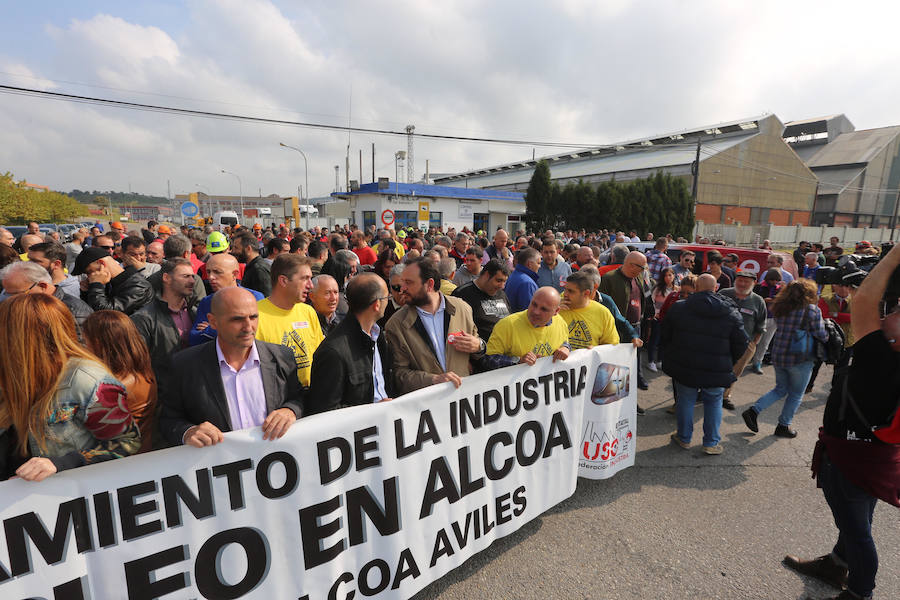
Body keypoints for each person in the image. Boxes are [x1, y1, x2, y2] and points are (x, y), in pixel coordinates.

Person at [782, 243, 900, 600]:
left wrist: (895, 255)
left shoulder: (881, 352)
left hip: (852, 455)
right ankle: (835, 563)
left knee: (857, 530)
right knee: (859, 519)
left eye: (896, 312)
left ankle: (859, 592)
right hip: (879, 454)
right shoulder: (887, 350)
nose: (888, 313)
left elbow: (863, 300)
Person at [0, 294, 140, 481]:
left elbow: (127, 443)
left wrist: (61, 464)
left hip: (69, 497)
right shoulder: (13, 373)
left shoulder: (87, 380)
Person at [159, 287, 304, 447]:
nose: (248, 327)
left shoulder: (282, 356)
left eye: (253, 317)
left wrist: (291, 410)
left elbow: (299, 398)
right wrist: (188, 432)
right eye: (237, 319)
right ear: (213, 321)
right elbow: (168, 419)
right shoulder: (184, 365)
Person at [662, 274, 748, 454]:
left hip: (685, 364)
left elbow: (666, 336)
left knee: (685, 400)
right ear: (715, 288)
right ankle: (710, 443)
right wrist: (730, 360)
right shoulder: (731, 311)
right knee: (714, 402)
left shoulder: (679, 308)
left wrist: (672, 354)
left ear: (696, 287)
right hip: (717, 367)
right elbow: (741, 342)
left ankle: (683, 437)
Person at [384, 257, 484, 394]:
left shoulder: (462, 308)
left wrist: (479, 345)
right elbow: (399, 375)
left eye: (408, 283)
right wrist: (434, 380)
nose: (402, 289)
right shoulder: (396, 324)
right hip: (427, 407)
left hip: (462, 401)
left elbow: (478, 352)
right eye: (402, 283)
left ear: (429, 284)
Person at [741, 278, 827, 438]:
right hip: (800, 357)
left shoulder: (781, 307)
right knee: (795, 394)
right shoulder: (812, 310)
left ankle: (754, 410)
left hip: (779, 354)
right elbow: (821, 334)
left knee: (780, 389)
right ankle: (783, 425)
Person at [307, 273, 394, 414]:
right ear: (377, 304)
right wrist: (372, 410)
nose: (388, 301)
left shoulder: (378, 337)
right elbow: (325, 410)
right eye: (387, 298)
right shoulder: (333, 352)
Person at [82, 311, 157, 452]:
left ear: (98, 344)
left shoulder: (115, 386)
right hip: (139, 457)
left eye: (86, 341)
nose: (84, 347)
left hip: (124, 463)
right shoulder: (141, 370)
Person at [256, 254, 324, 388]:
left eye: (311, 278)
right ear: (283, 281)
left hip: (312, 395)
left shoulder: (308, 311)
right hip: (279, 399)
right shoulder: (255, 316)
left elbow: (320, 355)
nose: (310, 285)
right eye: (305, 279)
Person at [130, 258, 197, 388]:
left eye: (192, 276)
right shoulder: (144, 318)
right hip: (163, 394)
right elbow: (137, 363)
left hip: (193, 389)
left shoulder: (194, 313)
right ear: (166, 278)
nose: (192, 281)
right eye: (185, 276)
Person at [484, 286, 571, 369]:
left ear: (556, 311)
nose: (536, 311)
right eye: (534, 304)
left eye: (544, 309)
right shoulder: (507, 325)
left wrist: (566, 348)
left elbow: (564, 342)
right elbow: (488, 359)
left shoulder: (560, 322)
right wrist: (517, 361)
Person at [600, 251, 651, 390]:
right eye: (642, 267)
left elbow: (644, 297)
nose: (643, 271)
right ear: (631, 265)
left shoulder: (638, 277)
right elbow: (602, 307)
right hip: (618, 330)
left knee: (633, 363)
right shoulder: (609, 279)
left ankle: (633, 397)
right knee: (618, 368)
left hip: (636, 327)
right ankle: (617, 398)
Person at [0, 261, 93, 338]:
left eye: (17, 294)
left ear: (43, 286)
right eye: (7, 294)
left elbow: (79, 352)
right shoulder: (22, 307)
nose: (10, 300)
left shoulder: (76, 313)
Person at [718, 269, 767, 410]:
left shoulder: (758, 301)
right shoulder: (723, 294)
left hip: (745, 344)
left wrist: (753, 343)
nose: (743, 283)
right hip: (721, 341)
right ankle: (705, 391)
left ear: (754, 283)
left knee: (734, 372)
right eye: (740, 280)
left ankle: (724, 396)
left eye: (747, 281)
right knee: (715, 367)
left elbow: (761, 326)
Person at [190, 253, 264, 346]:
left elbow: (256, 332)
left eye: (217, 272)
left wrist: (212, 328)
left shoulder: (255, 298)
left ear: (235, 274)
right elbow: (195, 338)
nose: (210, 277)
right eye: (208, 272)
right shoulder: (207, 302)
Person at [72, 246, 154, 315]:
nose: (89, 276)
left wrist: (96, 286)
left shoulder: (138, 285)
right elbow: (90, 312)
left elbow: (108, 314)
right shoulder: (109, 283)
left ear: (102, 263)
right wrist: (86, 292)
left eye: (89, 272)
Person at [452, 259, 512, 343]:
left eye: (504, 282)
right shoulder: (462, 295)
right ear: (487, 275)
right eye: (498, 281)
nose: (502, 286)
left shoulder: (501, 294)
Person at [558, 271, 619, 349]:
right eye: (565, 289)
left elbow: (612, 345)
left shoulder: (603, 313)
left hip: (589, 361)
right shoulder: (555, 308)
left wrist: (596, 351)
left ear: (586, 293)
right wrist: (551, 312)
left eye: (571, 291)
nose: (565, 294)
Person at [646, 266, 677, 372]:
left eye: (670, 275)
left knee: (664, 341)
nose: (668, 277)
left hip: (670, 319)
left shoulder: (676, 289)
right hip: (658, 318)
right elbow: (651, 301)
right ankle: (651, 361)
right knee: (655, 340)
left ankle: (660, 360)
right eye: (665, 275)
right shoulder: (658, 288)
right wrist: (655, 313)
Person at [231, 231, 271, 297]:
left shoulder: (259, 269)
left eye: (236, 248)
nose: (233, 251)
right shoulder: (252, 266)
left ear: (248, 249)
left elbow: (266, 298)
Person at [505, 247, 541, 312]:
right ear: (529, 264)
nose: (539, 266)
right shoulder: (527, 283)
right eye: (538, 263)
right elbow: (530, 311)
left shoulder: (515, 275)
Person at [378, 264, 406, 330]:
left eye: (403, 288)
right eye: (396, 287)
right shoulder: (381, 309)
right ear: (390, 287)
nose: (400, 292)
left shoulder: (419, 307)